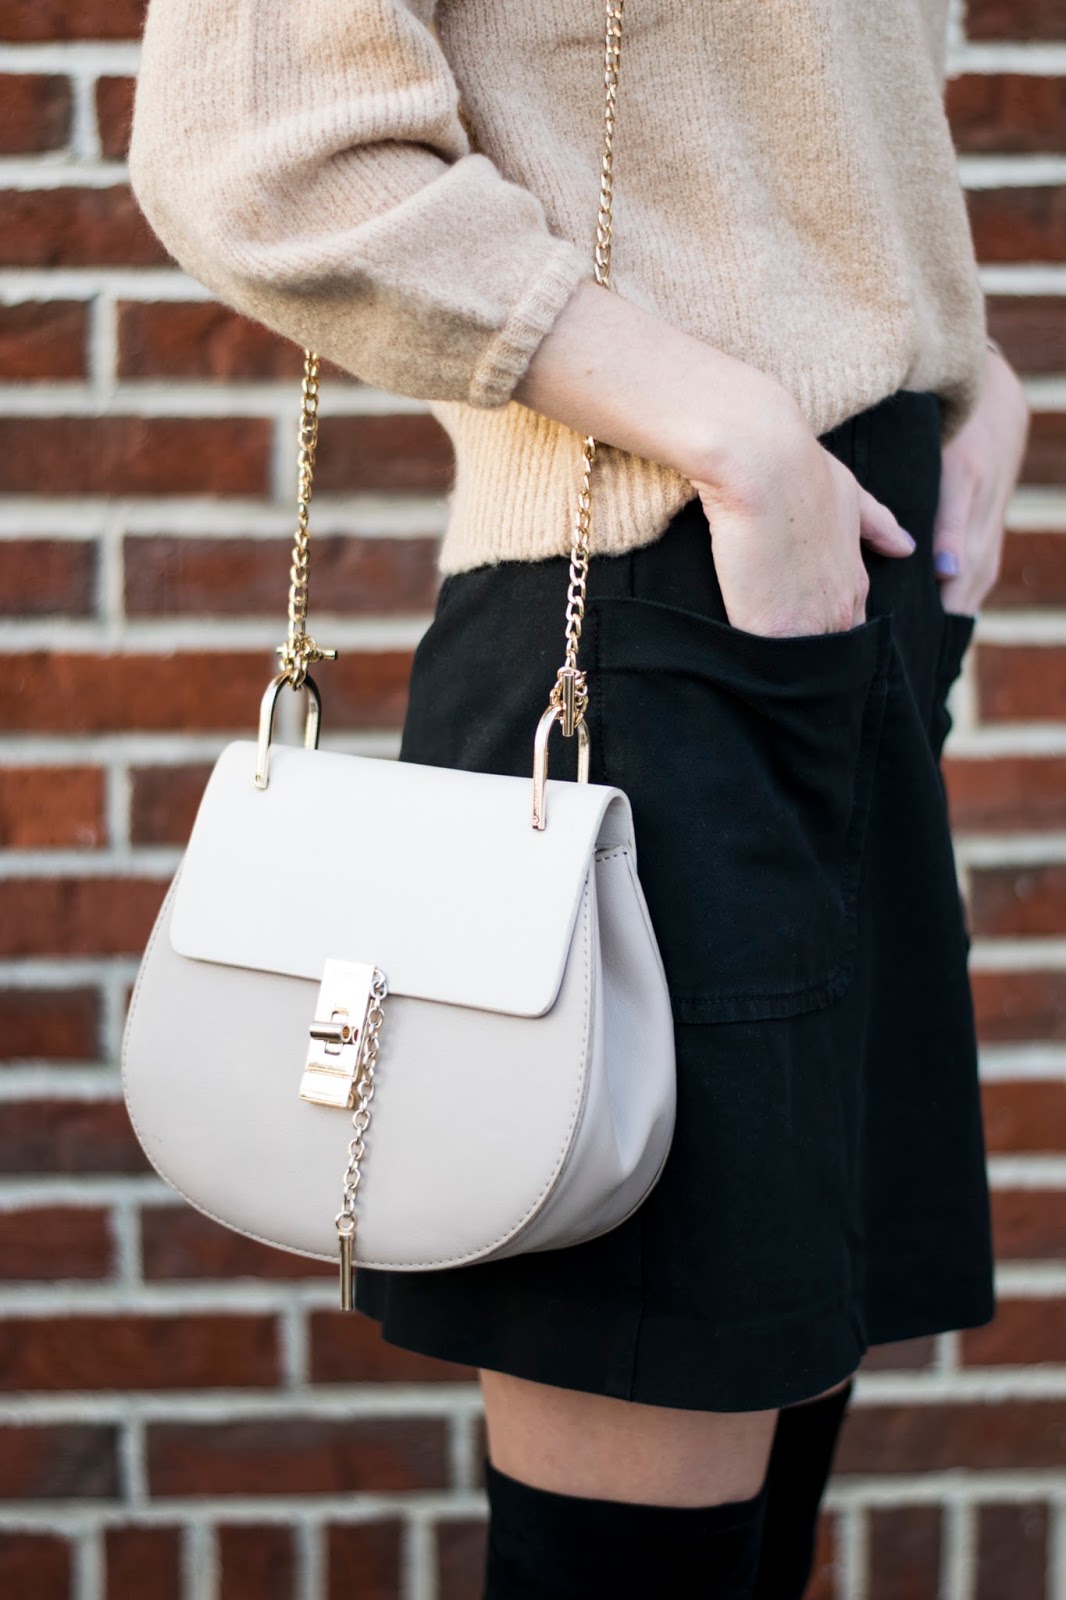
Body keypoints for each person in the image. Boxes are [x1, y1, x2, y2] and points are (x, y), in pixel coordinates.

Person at [126, 2, 1031, 1594]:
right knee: (640, 1557)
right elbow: (261, 150)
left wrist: (968, 376)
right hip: (640, 632)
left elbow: (779, 138)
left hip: (827, 602)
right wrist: (736, 430)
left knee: (758, 1487)